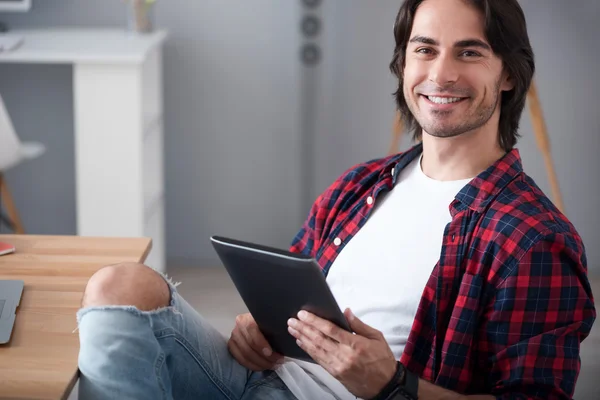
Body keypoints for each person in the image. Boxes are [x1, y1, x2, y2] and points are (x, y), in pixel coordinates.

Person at [76, 0, 596, 399]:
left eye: (470, 51)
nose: (440, 74)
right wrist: (255, 332)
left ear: (507, 73)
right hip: (268, 379)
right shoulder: (361, 186)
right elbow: (282, 306)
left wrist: (394, 384)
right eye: (425, 49)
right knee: (119, 285)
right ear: (403, 63)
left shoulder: (533, 239)